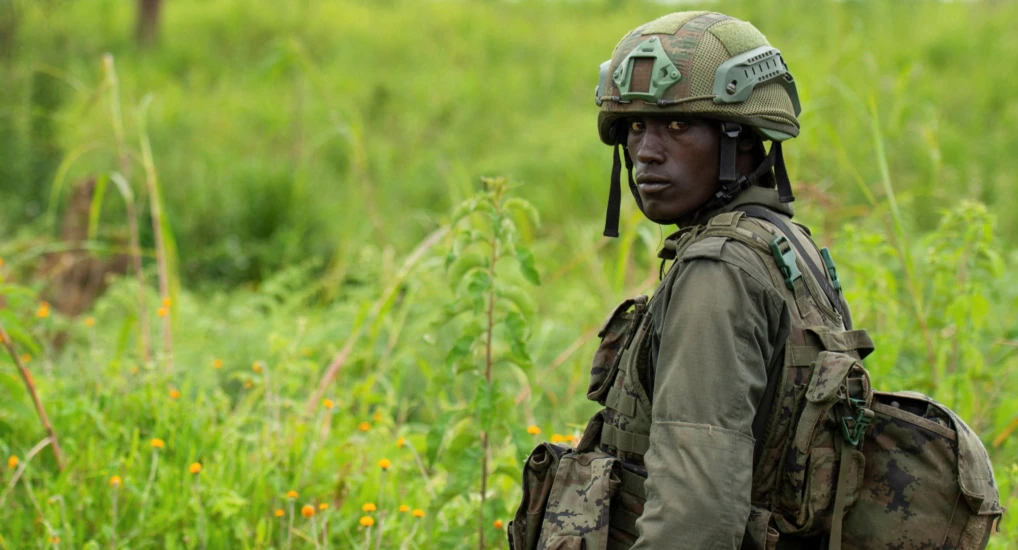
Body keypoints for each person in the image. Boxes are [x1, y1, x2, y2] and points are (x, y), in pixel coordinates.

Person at [590, 11, 852, 549]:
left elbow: (695, 517)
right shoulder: (783, 244)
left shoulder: (718, 272)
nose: (646, 152)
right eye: (636, 127)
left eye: (678, 126)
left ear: (744, 139)